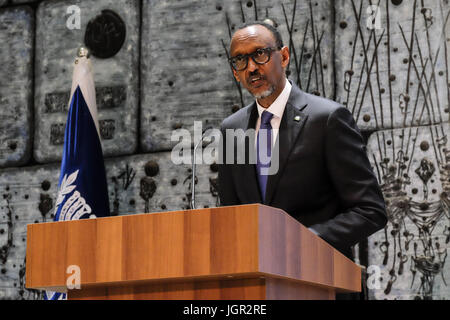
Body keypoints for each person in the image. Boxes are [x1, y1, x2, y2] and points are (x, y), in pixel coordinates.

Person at [218, 21, 387, 262]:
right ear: (236, 72)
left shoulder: (327, 119)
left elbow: (370, 211)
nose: (252, 67)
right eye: (240, 61)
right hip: (256, 284)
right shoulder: (231, 129)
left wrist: (305, 241)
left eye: (260, 54)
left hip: (321, 277)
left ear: (284, 56)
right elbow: (229, 217)